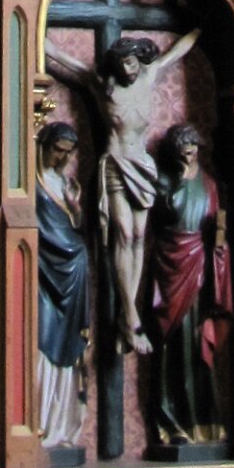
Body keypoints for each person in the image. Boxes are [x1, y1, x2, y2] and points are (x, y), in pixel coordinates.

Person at [91, 31, 198, 357]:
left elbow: (175, 53)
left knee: (139, 236)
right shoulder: (104, 87)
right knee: (122, 233)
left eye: (132, 62)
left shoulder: (149, 75)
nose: (128, 69)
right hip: (116, 164)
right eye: (123, 63)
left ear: (139, 60)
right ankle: (131, 317)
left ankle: (127, 316)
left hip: (142, 165)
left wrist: (198, 28)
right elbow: (68, 63)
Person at [147, 122, 231, 446]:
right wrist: (180, 180)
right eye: (183, 151)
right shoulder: (164, 182)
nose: (189, 156)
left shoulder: (210, 184)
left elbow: (216, 224)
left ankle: (204, 420)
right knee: (173, 346)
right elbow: (165, 215)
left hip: (201, 266)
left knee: (198, 343)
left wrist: (219, 243)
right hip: (173, 267)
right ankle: (172, 421)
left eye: (192, 150)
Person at [35, 121, 92, 452]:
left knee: (69, 346)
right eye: (58, 150)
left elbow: (75, 225)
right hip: (44, 273)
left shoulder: (65, 183)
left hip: (73, 275)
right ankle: (38, 422)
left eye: (68, 153)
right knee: (42, 339)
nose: (63, 159)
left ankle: (61, 425)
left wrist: (75, 207)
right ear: (43, 146)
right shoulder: (32, 181)